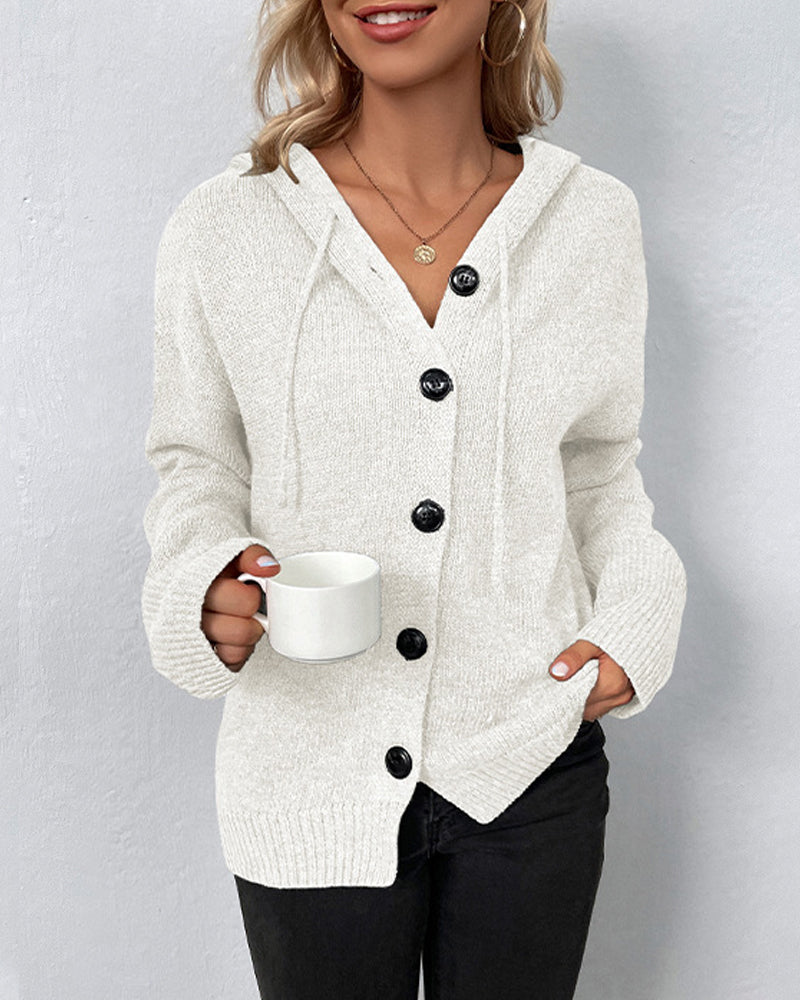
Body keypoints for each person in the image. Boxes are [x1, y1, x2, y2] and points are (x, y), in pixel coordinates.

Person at [141, 1, 688, 997]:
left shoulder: (590, 220)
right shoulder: (226, 226)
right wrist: (203, 581)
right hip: (307, 765)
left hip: (530, 759)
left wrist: (636, 617)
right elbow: (196, 466)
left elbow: (599, 467)